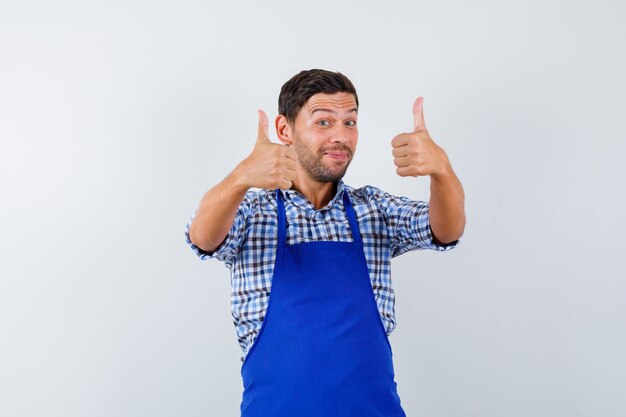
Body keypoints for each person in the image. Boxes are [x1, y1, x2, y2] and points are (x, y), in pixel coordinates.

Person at [185, 69, 465, 417]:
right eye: (323, 122)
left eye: (350, 122)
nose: (341, 137)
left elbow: (446, 230)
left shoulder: (374, 210)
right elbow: (202, 237)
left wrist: (442, 171)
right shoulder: (253, 213)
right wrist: (242, 176)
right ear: (285, 130)